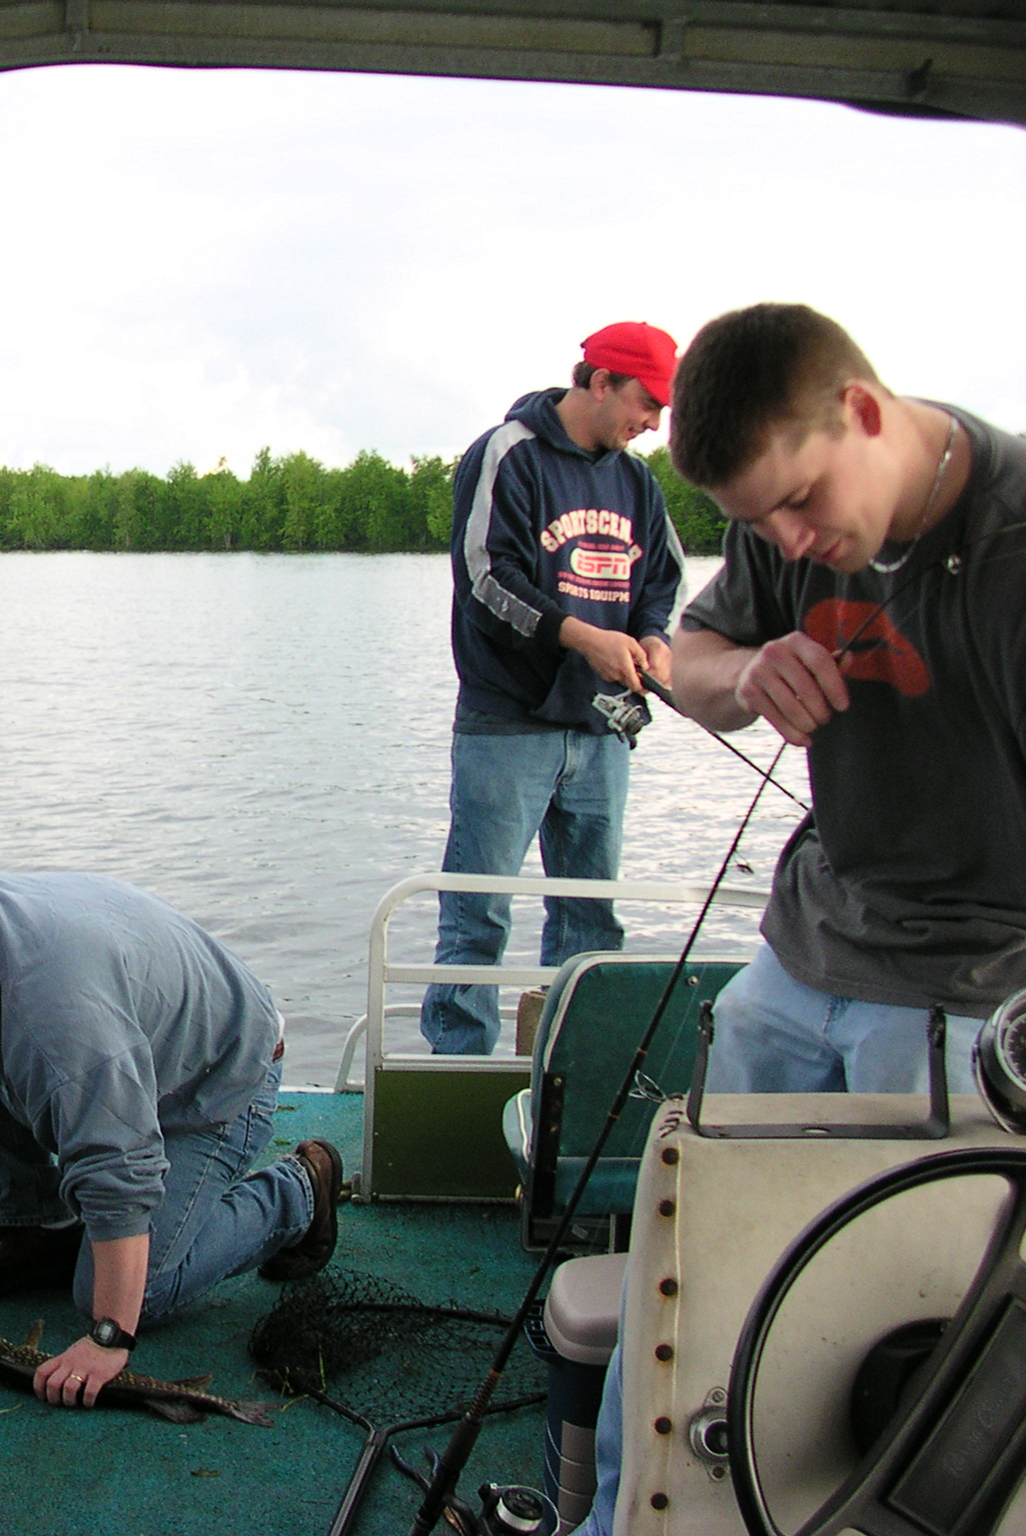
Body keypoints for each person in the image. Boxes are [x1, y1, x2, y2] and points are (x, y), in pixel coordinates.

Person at [570, 302, 1026, 1536]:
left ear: (861, 413)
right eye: (754, 521)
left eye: (799, 504)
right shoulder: (785, 523)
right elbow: (691, 657)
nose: (786, 540)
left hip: (959, 1003)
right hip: (792, 960)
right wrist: (747, 670)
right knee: (680, 1267)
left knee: (891, 1335)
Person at [0, 873, 342, 1410]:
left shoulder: (62, 1018)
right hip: (130, 1054)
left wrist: (109, 1337)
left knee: (139, 1294)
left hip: (216, 1079)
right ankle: (40, 1232)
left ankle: (299, 1191)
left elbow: (118, 1169)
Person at [419, 322, 687, 1055]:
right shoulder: (508, 452)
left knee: (592, 922)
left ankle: (573, 1074)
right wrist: (582, 636)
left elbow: (662, 578)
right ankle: (457, 1071)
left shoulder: (637, 481)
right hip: (506, 726)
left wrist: (654, 639)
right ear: (600, 382)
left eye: (661, 410)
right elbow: (485, 579)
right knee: (478, 916)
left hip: (602, 730)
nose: (653, 423)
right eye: (646, 403)